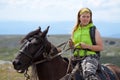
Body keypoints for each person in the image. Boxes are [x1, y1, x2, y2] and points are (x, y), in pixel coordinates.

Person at [69, 8, 103, 80]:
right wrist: (71, 45)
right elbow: (72, 48)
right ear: (79, 17)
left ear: (90, 18)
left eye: (88, 17)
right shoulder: (75, 30)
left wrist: (86, 46)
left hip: (90, 57)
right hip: (75, 58)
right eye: (83, 16)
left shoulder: (93, 29)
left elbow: (100, 47)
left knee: (89, 76)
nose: (86, 19)